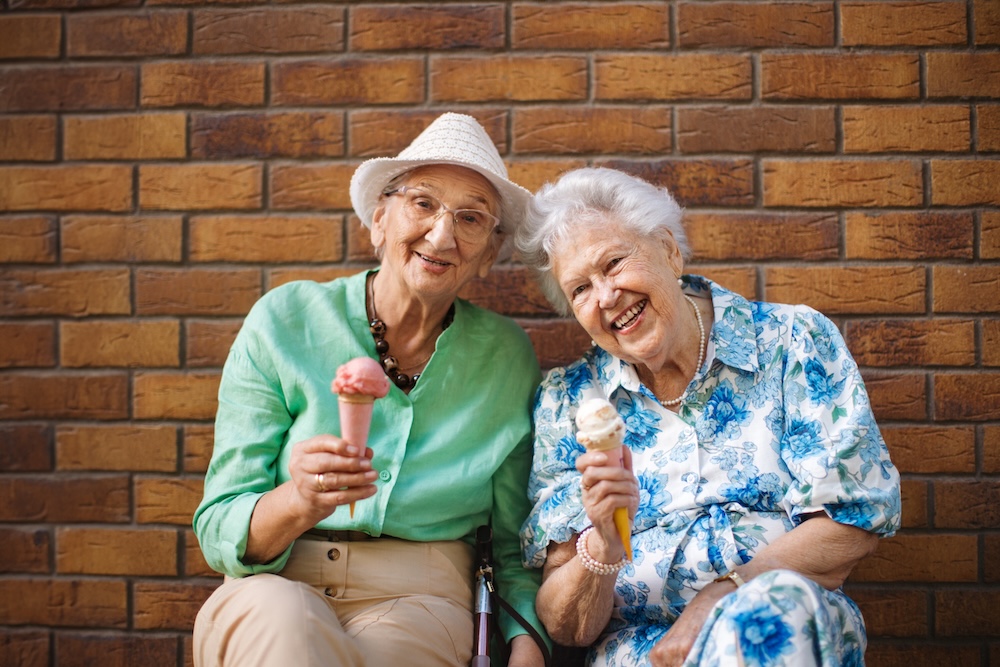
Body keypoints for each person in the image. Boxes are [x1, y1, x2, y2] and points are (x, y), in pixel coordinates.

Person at [193, 113, 548, 667]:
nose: (442, 235)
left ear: (487, 256)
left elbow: (512, 543)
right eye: (423, 203)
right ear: (380, 220)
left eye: (471, 218)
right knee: (280, 628)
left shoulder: (506, 356)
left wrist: (528, 643)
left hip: (423, 598)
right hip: (277, 581)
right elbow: (218, 527)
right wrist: (300, 499)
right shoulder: (285, 321)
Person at [515, 167, 901, 667]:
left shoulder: (790, 343)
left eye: (614, 263)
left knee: (765, 621)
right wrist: (605, 545)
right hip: (641, 653)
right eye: (580, 290)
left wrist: (723, 595)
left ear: (669, 251)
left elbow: (852, 520)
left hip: (774, 624)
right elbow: (569, 627)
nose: (606, 296)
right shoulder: (568, 401)